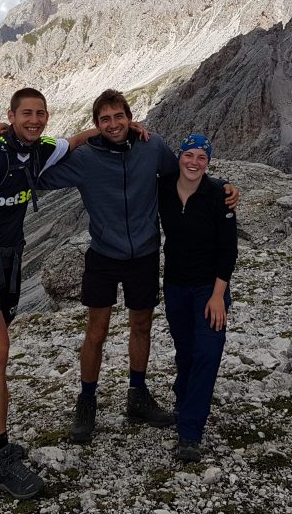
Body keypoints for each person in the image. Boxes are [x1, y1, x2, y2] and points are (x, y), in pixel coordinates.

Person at [38, 89, 239, 444]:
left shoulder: (151, 147)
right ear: (96, 124)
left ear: (130, 118)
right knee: (96, 331)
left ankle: (137, 394)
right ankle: (86, 401)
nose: (113, 125)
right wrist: (82, 137)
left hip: (144, 254)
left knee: (141, 326)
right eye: (105, 120)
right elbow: (39, 171)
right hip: (103, 254)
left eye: (119, 117)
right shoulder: (85, 158)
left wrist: (224, 188)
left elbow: (185, 170)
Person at [0, 87, 96, 500]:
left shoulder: (41, 148)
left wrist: (122, 127)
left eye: (40, 114)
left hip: (8, 262)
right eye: (26, 114)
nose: (34, 120)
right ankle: (0, 459)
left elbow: (74, 141)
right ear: (11, 116)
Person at [157, 133, 237, 463]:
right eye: (189, 155)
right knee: (186, 351)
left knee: (208, 351)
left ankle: (190, 431)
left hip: (209, 288)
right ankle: (182, 398)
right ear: (179, 158)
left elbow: (228, 250)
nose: (194, 162)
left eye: (201, 157)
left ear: (208, 163)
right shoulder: (162, 185)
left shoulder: (218, 194)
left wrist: (218, 296)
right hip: (175, 284)